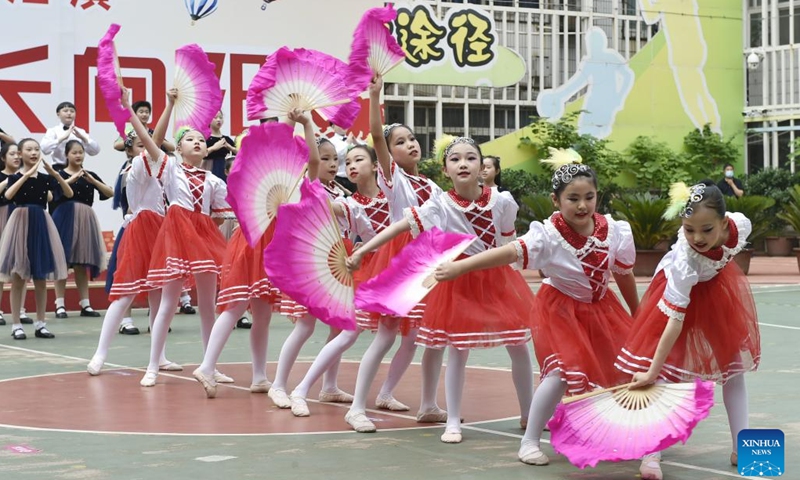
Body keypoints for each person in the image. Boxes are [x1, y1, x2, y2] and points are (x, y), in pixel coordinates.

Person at [435, 148, 639, 461]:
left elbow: (623, 273)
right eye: (573, 198)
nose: (582, 205)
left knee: (622, 371)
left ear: (598, 196)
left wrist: (636, 314)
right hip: (560, 310)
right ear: (556, 200)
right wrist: (461, 267)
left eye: (589, 196)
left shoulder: (614, 231)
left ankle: (628, 434)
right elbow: (509, 252)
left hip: (601, 309)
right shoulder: (548, 236)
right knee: (560, 373)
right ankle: (530, 440)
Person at [348, 136, 535, 444]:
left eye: (471, 158)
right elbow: (400, 226)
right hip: (457, 281)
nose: (463, 163)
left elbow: (507, 240)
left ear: (483, 167)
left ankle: (528, 413)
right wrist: (360, 251)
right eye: (455, 159)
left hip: (496, 280)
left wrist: (511, 281)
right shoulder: (439, 204)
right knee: (457, 350)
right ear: (445, 170)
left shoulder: (501, 201)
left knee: (518, 346)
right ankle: (452, 420)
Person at [616, 181, 760, 480]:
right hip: (674, 296)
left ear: (723, 223)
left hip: (715, 294)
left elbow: (729, 239)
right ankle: (652, 453)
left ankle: (741, 446)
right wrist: (651, 372)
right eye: (688, 229)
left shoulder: (740, 226)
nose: (697, 237)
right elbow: (674, 321)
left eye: (707, 230)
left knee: (732, 368)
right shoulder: (684, 261)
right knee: (668, 373)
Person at [133, 89, 234, 388]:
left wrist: (201, 236)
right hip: (175, 236)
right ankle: (153, 364)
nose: (198, 142)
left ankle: (209, 364)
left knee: (207, 303)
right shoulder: (170, 168)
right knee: (168, 302)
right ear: (178, 147)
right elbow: (151, 140)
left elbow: (218, 215)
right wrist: (167, 105)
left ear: (207, 150)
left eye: (202, 141)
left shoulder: (215, 181)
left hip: (202, 239)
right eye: (191, 139)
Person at [88, 95, 181, 375]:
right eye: (142, 142)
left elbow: (157, 139)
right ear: (131, 150)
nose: (150, 144)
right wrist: (133, 110)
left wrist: (169, 105)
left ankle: (159, 355)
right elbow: (155, 137)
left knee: (158, 296)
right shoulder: (138, 165)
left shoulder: (160, 163)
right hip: (141, 230)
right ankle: (99, 354)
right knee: (124, 294)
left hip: (162, 230)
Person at [268, 115, 353, 413]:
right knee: (305, 326)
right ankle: (278, 384)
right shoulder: (311, 187)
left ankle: (329, 386)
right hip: (314, 263)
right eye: (325, 158)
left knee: (338, 325)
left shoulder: (341, 192)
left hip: (339, 264)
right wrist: (306, 124)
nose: (331, 163)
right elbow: (312, 161)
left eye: (335, 159)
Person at [0, 138, 76, 339]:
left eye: (36, 149)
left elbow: (68, 192)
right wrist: (25, 176)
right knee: (18, 277)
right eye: (28, 149)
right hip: (20, 223)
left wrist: (55, 175)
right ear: (20, 154)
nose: (33, 153)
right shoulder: (14, 176)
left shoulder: (45, 178)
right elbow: (8, 195)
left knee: (41, 278)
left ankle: (41, 323)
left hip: (41, 223)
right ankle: (16, 324)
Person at [51, 141, 113, 319]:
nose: (78, 155)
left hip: (86, 220)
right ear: (67, 155)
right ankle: (60, 304)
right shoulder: (60, 175)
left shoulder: (89, 175)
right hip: (64, 218)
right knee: (62, 262)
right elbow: (53, 193)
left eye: (81, 152)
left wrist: (93, 181)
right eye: (74, 153)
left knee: (81, 263)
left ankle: (85, 304)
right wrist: (70, 179)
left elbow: (109, 193)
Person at [0, 143, 29, 327]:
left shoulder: (26, 176)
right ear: (3, 158)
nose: (16, 157)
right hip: (3, 217)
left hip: (20, 219)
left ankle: (20, 310)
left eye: (18, 154)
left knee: (22, 265)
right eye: (12, 154)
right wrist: (11, 180)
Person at [40, 102, 100, 169]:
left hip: (77, 169)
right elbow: (44, 149)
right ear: (58, 114)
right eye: (65, 111)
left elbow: (95, 151)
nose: (69, 113)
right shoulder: (53, 131)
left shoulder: (80, 131)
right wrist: (61, 139)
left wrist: (83, 138)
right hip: (58, 169)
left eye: (72, 111)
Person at [202, 111, 237, 181]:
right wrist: (213, 148)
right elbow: (200, 154)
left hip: (224, 168)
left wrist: (230, 147)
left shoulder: (226, 139)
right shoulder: (203, 138)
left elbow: (240, 155)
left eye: (220, 117)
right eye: (215, 117)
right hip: (208, 167)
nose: (218, 120)